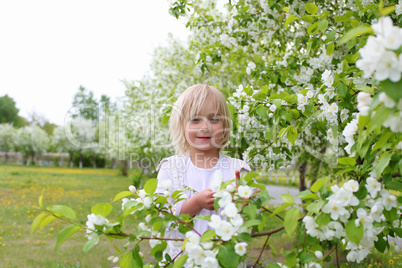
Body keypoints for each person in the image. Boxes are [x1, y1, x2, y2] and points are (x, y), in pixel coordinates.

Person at [155, 84, 251, 259]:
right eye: (195, 120)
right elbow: (165, 219)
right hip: (183, 261)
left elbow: (247, 226)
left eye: (214, 119)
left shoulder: (237, 169)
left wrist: (243, 204)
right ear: (181, 125)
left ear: (225, 125)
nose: (205, 127)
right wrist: (196, 203)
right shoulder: (171, 168)